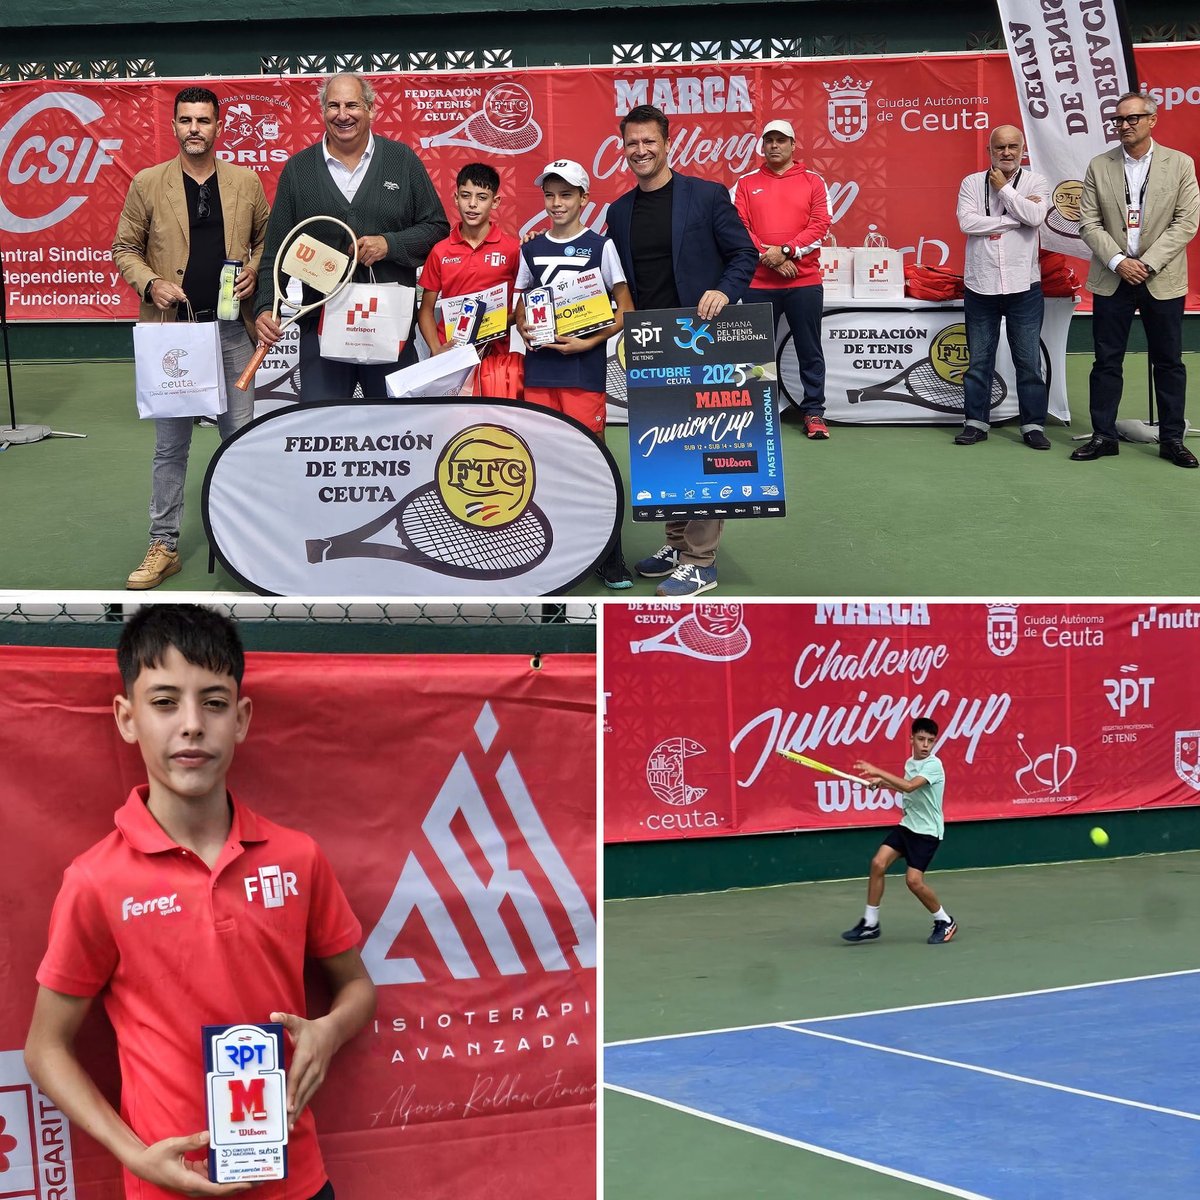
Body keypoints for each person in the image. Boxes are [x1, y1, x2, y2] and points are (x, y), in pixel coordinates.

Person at [24, 605, 376, 1200]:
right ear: (126, 717)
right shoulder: (96, 880)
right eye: (165, 702)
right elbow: (45, 1048)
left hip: (298, 1182)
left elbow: (358, 988)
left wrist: (329, 1031)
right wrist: (137, 1157)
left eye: (213, 703)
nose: (192, 725)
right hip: (169, 1188)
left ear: (240, 719)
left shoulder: (296, 857)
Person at [113, 86, 270, 590]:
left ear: (218, 126)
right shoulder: (147, 183)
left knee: (241, 442)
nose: (195, 129)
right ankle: (165, 545)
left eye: (204, 120)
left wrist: (255, 269)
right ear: (175, 126)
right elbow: (124, 247)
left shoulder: (246, 183)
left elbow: (268, 238)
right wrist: (150, 282)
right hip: (174, 337)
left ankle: (247, 544)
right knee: (170, 448)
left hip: (229, 331)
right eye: (186, 121)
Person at [606, 104, 759, 598]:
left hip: (704, 338)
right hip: (650, 345)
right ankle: (676, 544)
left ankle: (701, 560)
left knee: (704, 450)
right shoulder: (619, 211)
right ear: (622, 147)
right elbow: (610, 276)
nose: (641, 151)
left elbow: (744, 253)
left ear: (667, 143)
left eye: (649, 141)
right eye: (632, 143)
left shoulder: (707, 196)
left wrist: (725, 291)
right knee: (665, 450)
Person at [253, 72, 449, 400]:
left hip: (389, 326)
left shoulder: (402, 161)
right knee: (322, 426)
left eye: (352, 105)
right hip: (321, 327)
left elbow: (436, 229)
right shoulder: (298, 170)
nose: (343, 114)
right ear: (322, 111)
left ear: (371, 109)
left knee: (397, 428)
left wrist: (391, 244)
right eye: (334, 105)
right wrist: (264, 306)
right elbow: (276, 252)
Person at [515, 158, 633, 588]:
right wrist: (522, 321)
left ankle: (610, 554)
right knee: (543, 459)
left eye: (566, 194)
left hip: (584, 371)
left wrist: (590, 341)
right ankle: (554, 548)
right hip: (541, 371)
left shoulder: (601, 247)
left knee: (592, 460)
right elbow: (521, 303)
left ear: (585, 199)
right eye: (550, 195)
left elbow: (626, 309)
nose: (557, 203)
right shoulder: (531, 248)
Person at [1073, 91, 1200, 468]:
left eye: (1132, 119)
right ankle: (1103, 436)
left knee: (1169, 361)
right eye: (1118, 120)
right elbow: (1087, 222)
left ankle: (1172, 440)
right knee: (1106, 360)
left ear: (1152, 120)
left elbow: (1186, 222)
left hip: (1161, 278)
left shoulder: (1179, 164)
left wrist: (1146, 263)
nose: (1124, 126)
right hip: (1114, 279)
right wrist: (1117, 260)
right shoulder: (1099, 165)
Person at [733, 117, 832, 440]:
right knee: (755, 353)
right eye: (769, 141)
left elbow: (821, 225)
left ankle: (814, 413)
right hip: (758, 282)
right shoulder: (745, 183)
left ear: (793, 145)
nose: (774, 146)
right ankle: (756, 414)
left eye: (781, 140)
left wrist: (787, 250)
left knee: (809, 349)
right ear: (763, 146)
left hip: (803, 282)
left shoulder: (814, 181)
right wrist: (768, 256)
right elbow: (739, 227)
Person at [954, 124, 1051, 450]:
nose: (1006, 153)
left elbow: (1037, 216)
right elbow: (967, 223)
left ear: (1023, 149)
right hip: (981, 285)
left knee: (1028, 361)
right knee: (979, 361)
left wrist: (1006, 191)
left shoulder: (1036, 181)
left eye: (1013, 146)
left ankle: (1033, 425)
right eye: (1000, 148)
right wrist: (1015, 218)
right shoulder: (971, 181)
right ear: (990, 152)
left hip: (1024, 285)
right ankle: (976, 423)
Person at [841, 717, 957, 946]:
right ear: (911, 738)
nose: (925, 745)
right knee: (878, 864)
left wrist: (879, 772)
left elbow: (910, 786)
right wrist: (881, 783)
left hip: (927, 832)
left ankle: (944, 921)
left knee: (913, 881)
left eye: (930, 741)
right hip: (908, 826)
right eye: (921, 739)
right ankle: (870, 923)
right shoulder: (910, 763)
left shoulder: (934, 765)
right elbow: (906, 788)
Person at [416, 161, 523, 399]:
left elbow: (524, 305)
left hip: (495, 359)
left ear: (495, 202)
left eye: (482, 197)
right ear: (455, 198)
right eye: (466, 196)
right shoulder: (441, 251)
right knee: (452, 426)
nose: (472, 204)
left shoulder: (513, 249)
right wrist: (436, 349)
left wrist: (493, 326)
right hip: (451, 357)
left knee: (491, 426)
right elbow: (426, 310)